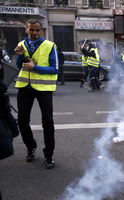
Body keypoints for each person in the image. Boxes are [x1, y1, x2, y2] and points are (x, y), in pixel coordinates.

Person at [14, 19, 58, 169]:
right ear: (26, 30)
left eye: (37, 30)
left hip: (44, 89)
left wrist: (35, 67)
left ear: (41, 31)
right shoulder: (22, 44)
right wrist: (20, 56)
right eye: (31, 30)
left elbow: (55, 69)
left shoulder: (50, 45)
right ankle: (30, 147)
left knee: (47, 122)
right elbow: (19, 65)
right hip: (25, 87)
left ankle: (49, 155)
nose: (34, 33)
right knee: (22, 121)